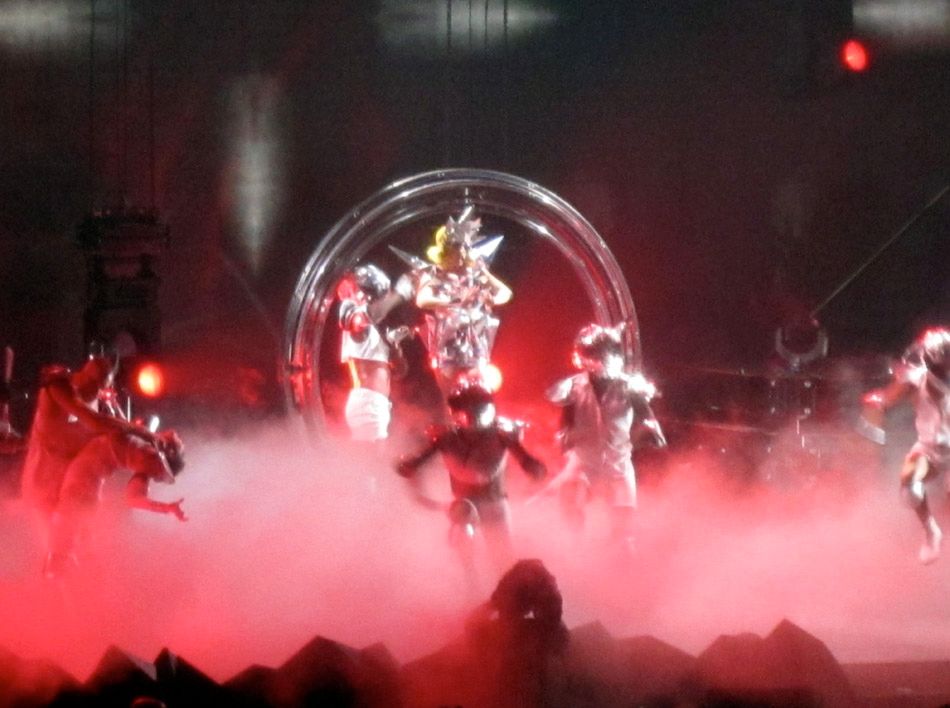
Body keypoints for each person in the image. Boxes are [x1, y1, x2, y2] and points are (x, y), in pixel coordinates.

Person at [20, 355, 186, 577]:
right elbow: (98, 422)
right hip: (47, 477)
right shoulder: (60, 387)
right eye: (95, 382)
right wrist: (143, 431)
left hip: (79, 476)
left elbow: (134, 497)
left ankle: (67, 576)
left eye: (100, 385)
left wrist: (165, 508)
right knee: (60, 540)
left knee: (78, 543)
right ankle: (57, 571)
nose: (97, 390)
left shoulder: (142, 453)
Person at [395, 378, 545, 582]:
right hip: (465, 502)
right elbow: (418, 460)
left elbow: (527, 460)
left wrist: (533, 468)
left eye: (477, 408)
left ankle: (504, 590)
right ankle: (471, 582)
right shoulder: (447, 438)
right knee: (465, 535)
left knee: (503, 559)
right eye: (468, 409)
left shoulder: (501, 435)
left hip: (493, 501)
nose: (473, 415)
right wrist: (409, 466)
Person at [543, 323, 665, 548]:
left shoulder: (627, 387)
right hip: (584, 463)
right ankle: (576, 550)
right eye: (591, 354)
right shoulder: (575, 385)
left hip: (618, 466)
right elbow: (559, 402)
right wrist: (564, 439)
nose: (597, 360)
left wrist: (651, 431)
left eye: (601, 354)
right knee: (571, 502)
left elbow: (645, 414)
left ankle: (619, 559)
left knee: (623, 535)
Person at [862, 327, 950, 564]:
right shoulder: (917, 377)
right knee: (909, 490)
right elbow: (890, 396)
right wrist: (880, 400)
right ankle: (931, 532)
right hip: (929, 449)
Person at [412, 207, 512, 392]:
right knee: (451, 394)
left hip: (476, 346)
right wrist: (456, 301)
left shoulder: (474, 274)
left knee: (477, 392)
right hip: (447, 347)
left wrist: (486, 282)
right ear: (446, 251)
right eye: (457, 248)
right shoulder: (433, 275)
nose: (462, 253)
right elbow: (422, 300)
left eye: (465, 248)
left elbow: (504, 294)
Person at [336, 263, 410, 442]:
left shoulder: (375, 331)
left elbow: (400, 372)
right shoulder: (351, 311)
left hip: (378, 404)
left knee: (373, 457)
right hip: (367, 403)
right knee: (373, 457)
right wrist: (399, 294)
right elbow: (367, 316)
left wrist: (395, 347)